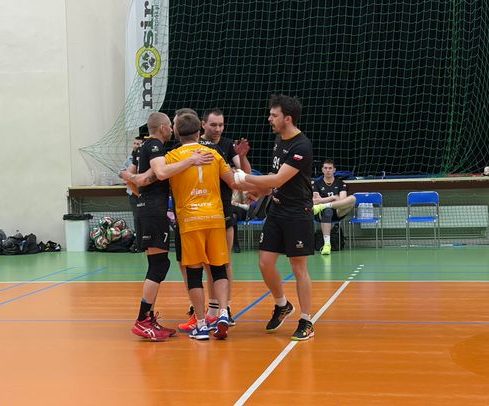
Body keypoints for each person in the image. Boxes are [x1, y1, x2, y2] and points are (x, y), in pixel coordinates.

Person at [121, 112, 214, 341]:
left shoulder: (145, 148)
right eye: (170, 126)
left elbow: (134, 178)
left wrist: (140, 185)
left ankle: (148, 318)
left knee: (159, 264)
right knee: (159, 265)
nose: (172, 129)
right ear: (162, 128)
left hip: (148, 209)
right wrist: (191, 160)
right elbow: (161, 173)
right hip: (153, 211)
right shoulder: (154, 145)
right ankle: (143, 320)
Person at [232, 94, 316, 341]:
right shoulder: (279, 140)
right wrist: (260, 191)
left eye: (274, 115)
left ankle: (307, 320)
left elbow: (279, 179)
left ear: (287, 118)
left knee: (298, 267)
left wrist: (243, 178)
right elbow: (275, 179)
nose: (269, 118)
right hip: (277, 210)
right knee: (265, 262)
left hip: (297, 212)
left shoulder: (301, 146)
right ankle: (282, 304)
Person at [153, 112, 240, 340]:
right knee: (219, 268)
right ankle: (223, 312)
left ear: (177, 132)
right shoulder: (214, 154)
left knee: (194, 273)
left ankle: (201, 324)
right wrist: (259, 189)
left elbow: (157, 175)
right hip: (215, 218)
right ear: (199, 132)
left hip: (191, 221)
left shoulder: (171, 156)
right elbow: (233, 181)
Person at [312, 159, 356, 255]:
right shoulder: (317, 183)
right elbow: (315, 201)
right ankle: (327, 245)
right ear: (322, 170)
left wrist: (323, 201)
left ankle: (324, 206)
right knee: (327, 211)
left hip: (338, 211)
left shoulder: (340, 183)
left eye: (330, 168)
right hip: (321, 213)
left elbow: (342, 201)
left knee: (353, 198)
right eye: (325, 168)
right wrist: (332, 197)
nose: (328, 170)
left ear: (334, 170)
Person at [119, 134, 145, 253]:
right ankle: (138, 244)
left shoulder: (145, 158)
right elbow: (120, 172)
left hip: (144, 193)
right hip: (132, 193)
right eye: (134, 143)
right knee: (137, 219)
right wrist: (129, 176)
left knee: (145, 218)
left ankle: (146, 242)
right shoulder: (129, 159)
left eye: (138, 144)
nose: (135, 146)